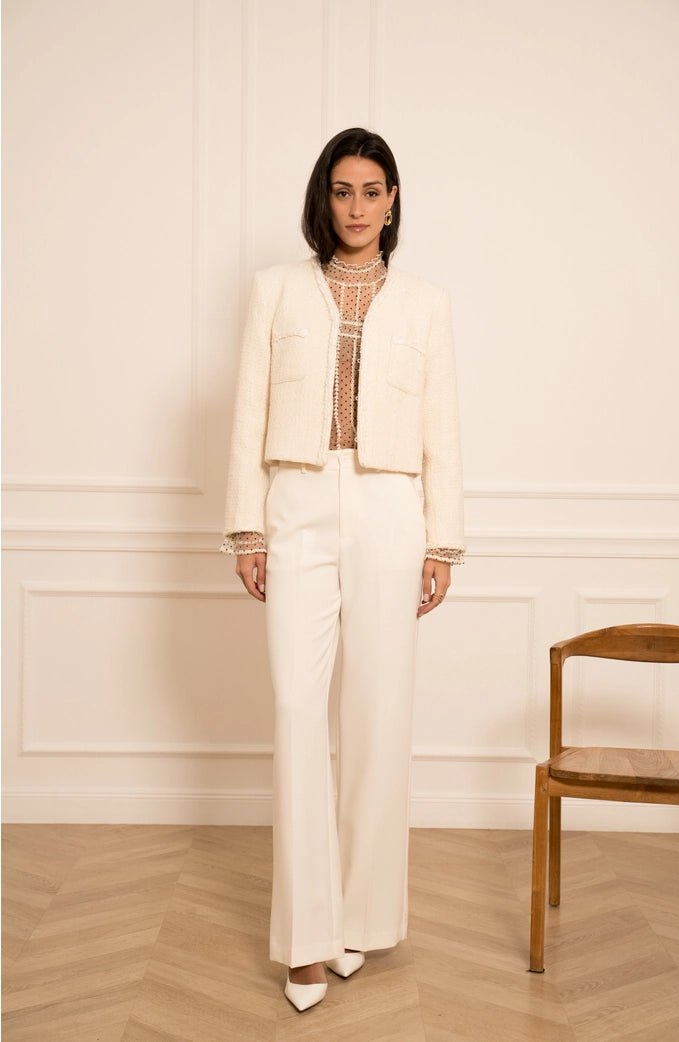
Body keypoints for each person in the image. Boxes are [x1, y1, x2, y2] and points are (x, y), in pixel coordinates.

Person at [221, 127, 465, 1012]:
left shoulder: (426, 303)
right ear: (322, 200)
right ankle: (305, 940)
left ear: (392, 202)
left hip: (391, 510)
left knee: (377, 712)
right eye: (341, 190)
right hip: (295, 503)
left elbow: (441, 425)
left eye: (370, 191)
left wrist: (441, 542)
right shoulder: (275, 289)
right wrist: (246, 529)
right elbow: (248, 410)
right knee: (296, 707)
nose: (355, 207)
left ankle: (359, 918)